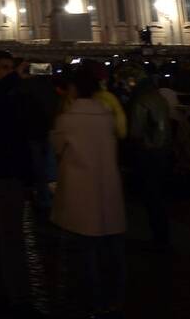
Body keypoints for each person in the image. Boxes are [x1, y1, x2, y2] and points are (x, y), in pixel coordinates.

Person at [51, 61, 127, 318]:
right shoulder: (106, 115)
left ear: (74, 88)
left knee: (84, 255)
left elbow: (57, 149)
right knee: (111, 253)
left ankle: (91, 302)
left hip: (79, 194)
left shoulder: (67, 119)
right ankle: (113, 300)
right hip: (108, 190)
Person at [0, 50, 41, 318]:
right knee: (11, 240)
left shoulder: (6, 96)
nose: (9, 72)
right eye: (4, 68)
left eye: (11, 67)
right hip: (2, 174)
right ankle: (20, 300)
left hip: (4, 172)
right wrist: (14, 80)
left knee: (0, 239)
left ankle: (1, 291)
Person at [128, 73, 173, 248]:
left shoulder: (141, 101)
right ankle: (163, 234)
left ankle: (158, 236)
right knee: (160, 195)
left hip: (148, 152)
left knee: (152, 196)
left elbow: (136, 132)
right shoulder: (160, 98)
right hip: (164, 150)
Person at [20, 63, 59, 217]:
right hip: (48, 130)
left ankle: (42, 198)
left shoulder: (27, 87)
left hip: (33, 132)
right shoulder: (51, 88)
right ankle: (47, 198)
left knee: (38, 166)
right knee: (48, 166)